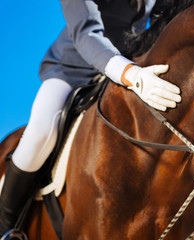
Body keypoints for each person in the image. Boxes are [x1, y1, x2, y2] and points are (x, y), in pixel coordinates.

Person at [0, 0, 181, 235]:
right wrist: (131, 74)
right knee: (40, 134)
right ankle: (5, 227)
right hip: (73, 69)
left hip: (130, 69)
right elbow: (86, 33)